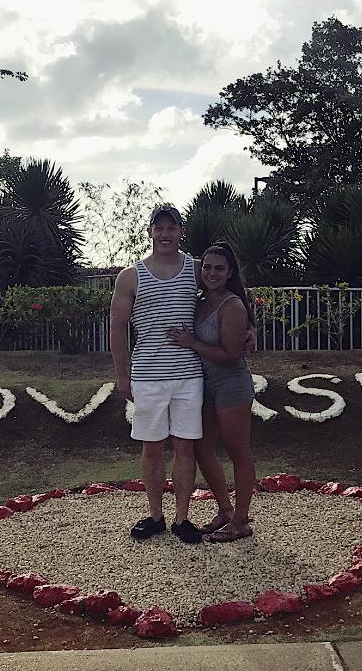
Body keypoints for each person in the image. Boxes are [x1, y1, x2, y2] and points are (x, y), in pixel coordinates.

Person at [111, 205, 245, 544]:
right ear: (150, 232)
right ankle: (156, 515)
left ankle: (182, 518)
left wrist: (251, 328)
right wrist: (122, 375)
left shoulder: (196, 269)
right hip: (148, 375)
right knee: (152, 448)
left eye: (172, 228)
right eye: (159, 228)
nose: (165, 234)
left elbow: (228, 292)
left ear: (181, 232)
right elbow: (117, 326)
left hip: (188, 375)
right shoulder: (131, 276)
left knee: (186, 447)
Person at [167, 242, 258, 542]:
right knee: (201, 448)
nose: (212, 273)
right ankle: (225, 510)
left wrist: (192, 343)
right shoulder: (200, 300)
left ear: (230, 272)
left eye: (220, 268)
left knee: (238, 452)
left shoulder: (231, 305)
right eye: (207, 267)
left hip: (231, 386)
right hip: (205, 385)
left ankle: (241, 521)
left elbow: (232, 354)